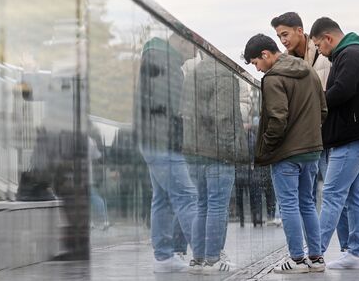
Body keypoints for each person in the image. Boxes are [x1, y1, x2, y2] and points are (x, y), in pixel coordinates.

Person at [243, 34, 327, 274]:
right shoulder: (308, 71)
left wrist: (267, 148)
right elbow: (323, 109)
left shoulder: (273, 79)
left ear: (266, 55)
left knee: (288, 205)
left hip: (287, 153)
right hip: (311, 150)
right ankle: (316, 258)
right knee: (308, 203)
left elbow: (278, 118)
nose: (257, 69)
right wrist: (308, 135)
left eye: (256, 63)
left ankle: (297, 260)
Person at [310, 17, 359, 269]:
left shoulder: (349, 54)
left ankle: (314, 255)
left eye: (319, 45)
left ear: (328, 38)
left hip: (352, 137)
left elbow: (342, 90)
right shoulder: (354, 51)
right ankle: (356, 254)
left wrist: (313, 103)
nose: (319, 51)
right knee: (353, 196)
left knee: (331, 194)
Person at [134, 33, 198, 273]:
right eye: (194, 49)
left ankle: (163, 257)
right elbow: (170, 109)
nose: (194, 56)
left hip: (153, 141)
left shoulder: (156, 59)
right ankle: (205, 256)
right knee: (187, 196)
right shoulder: (165, 62)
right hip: (164, 143)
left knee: (162, 198)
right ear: (183, 41)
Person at [179, 51, 248, 274]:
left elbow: (185, 113)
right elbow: (223, 116)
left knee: (202, 204)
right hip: (218, 151)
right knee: (218, 205)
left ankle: (198, 259)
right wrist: (229, 149)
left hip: (195, 149)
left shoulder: (193, 72)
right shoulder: (225, 75)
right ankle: (213, 259)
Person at [271, 12, 331, 207]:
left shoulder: (323, 55)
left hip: (327, 135)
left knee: (334, 193)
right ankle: (315, 238)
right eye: (279, 36)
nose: (282, 40)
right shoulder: (288, 64)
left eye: (285, 34)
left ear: (300, 31)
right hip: (307, 141)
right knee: (307, 199)